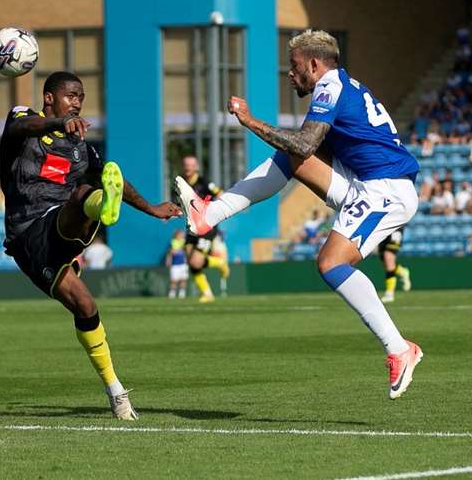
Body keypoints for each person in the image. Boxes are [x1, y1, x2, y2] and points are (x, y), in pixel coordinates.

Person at [176, 29, 423, 399]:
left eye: (293, 67)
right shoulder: (343, 86)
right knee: (291, 157)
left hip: (384, 189)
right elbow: (302, 151)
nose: (289, 75)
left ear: (313, 64)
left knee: (330, 263)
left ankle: (399, 349)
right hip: (364, 183)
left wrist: (250, 121)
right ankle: (208, 215)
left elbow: (306, 141)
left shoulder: (329, 87)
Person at [0, 71, 181, 419]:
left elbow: (120, 181)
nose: (77, 102)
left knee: (84, 192)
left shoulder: (81, 146)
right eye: (70, 95)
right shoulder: (23, 119)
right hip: (26, 233)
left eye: (81, 96)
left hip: (62, 225)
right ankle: (97, 204)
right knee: (84, 305)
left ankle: (116, 391)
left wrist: (152, 209)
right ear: (49, 97)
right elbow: (22, 129)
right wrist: (56, 123)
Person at [179, 156, 229, 302]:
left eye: (191, 165)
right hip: (191, 226)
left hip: (206, 226)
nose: (188, 167)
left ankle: (220, 262)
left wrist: (216, 211)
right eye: (186, 164)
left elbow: (221, 194)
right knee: (190, 261)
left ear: (196, 167)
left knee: (196, 261)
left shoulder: (204, 183)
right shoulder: (182, 183)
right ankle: (207, 293)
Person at [378, 228, 411, 303]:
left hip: (395, 228)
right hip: (383, 227)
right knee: (384, 260)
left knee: (388, 257)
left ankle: (389, 294)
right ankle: (402, 271)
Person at [166, 229, 188, 299]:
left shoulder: (184, 242)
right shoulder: (173, 242)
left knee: (183, 279)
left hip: (183, 264)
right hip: (175, 264)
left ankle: (182, 294)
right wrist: (168, 260)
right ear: (176, 235)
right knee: (173, 280)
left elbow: (187, 251)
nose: (182, 235)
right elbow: (171, 253)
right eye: (180, 234)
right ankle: (172, 294)